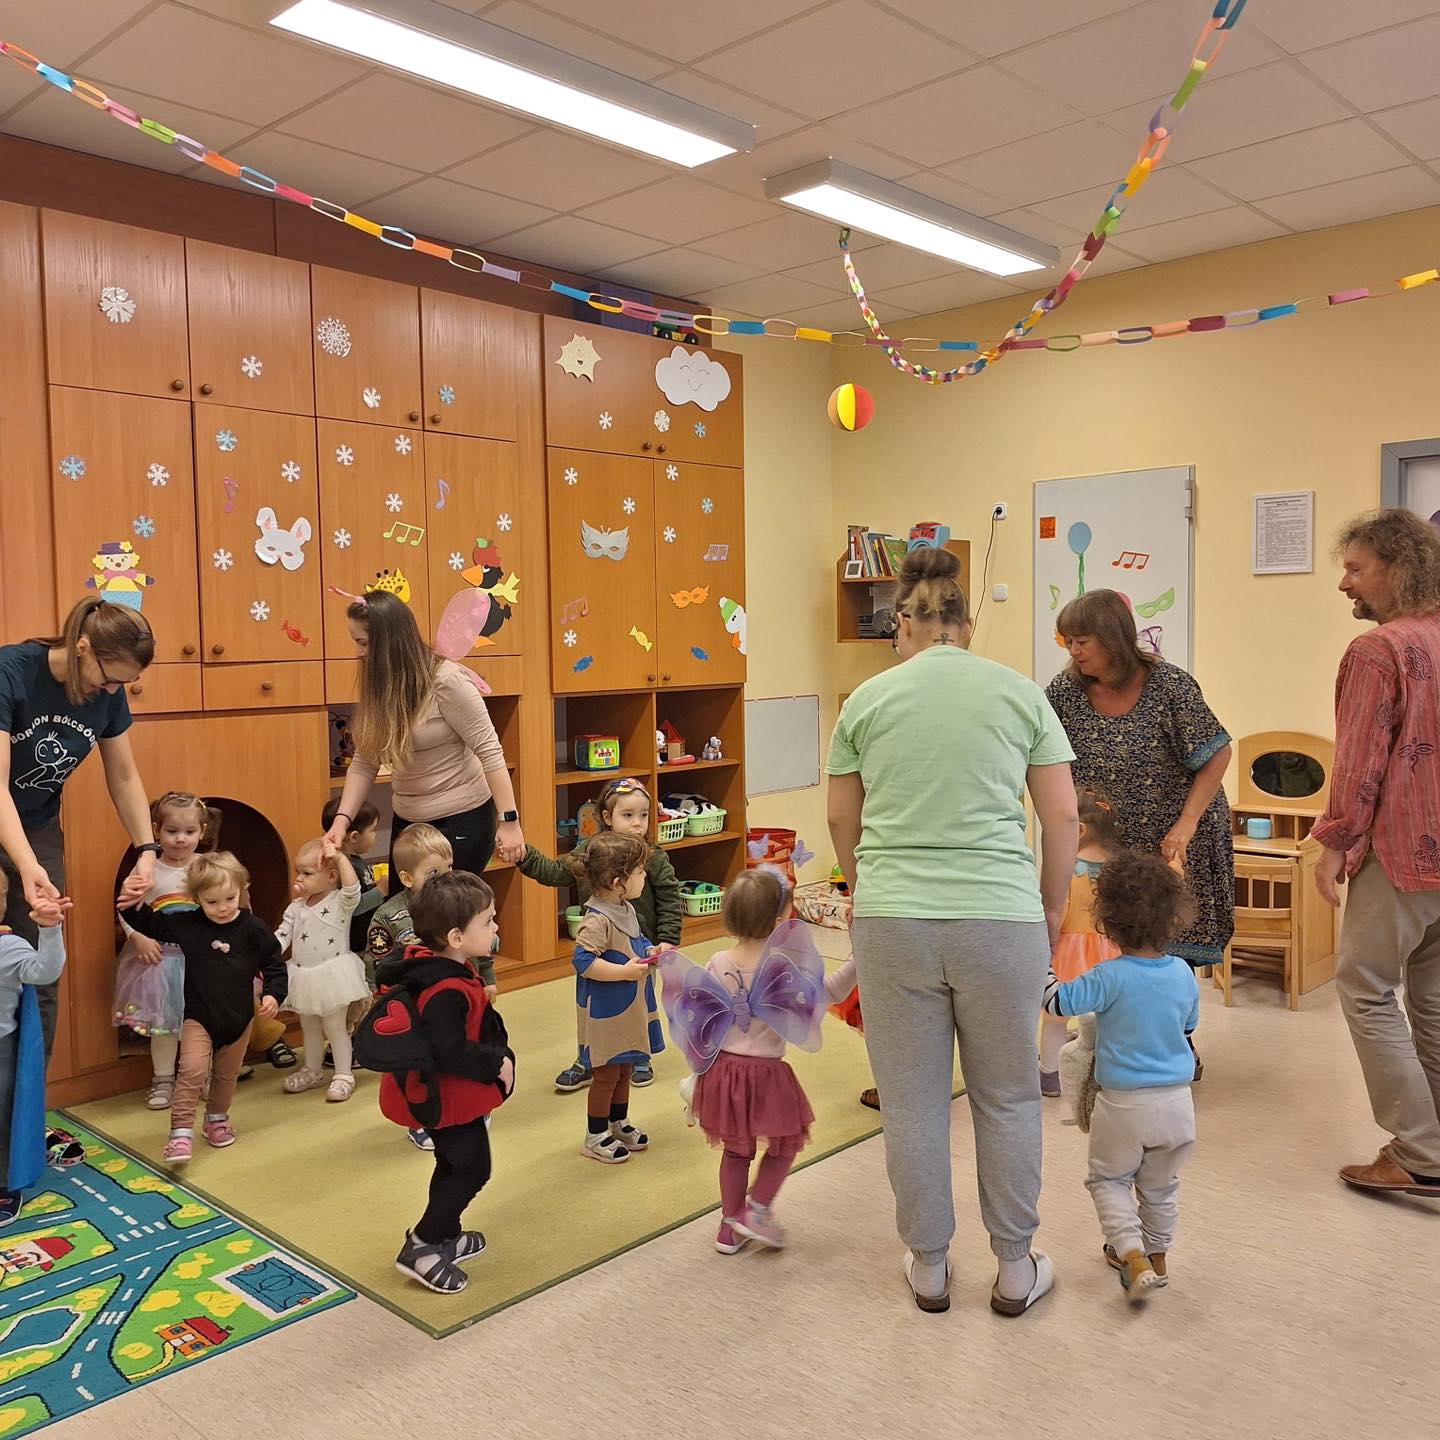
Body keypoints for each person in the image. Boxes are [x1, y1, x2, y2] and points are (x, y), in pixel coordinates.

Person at [826, 545, 1079, 1317]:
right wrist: (1049, 905)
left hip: (895, 918)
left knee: (912, 1102)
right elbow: (1062, 816)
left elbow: (842, 816)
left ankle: (930, 1266)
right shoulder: (1021, 694)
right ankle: (1013, 1267)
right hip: (1000, 916)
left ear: (903, 620)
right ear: (967, 624)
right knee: (1006, 1097)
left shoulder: (866, 700)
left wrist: (869, 890)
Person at [1312, 509, 1440, 1198]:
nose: (1345, 583)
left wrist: (1335, 843)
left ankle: (1420, 1152)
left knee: (1362, 987)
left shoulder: (1378, 651)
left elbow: (1361, 762)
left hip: (1401, 852)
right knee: (1436, 1000)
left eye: (1357, 568)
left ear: (1397, 569)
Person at [660, 869, 855, 1254]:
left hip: (723, 1073)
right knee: (784, 1145)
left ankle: (729, 1227)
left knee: (736, 1151)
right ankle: (758, 1209)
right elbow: (830, 992)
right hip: (765, 1074)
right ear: (781, 921)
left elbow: (695, 1011)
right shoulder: (784, 967)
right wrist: (858, 954)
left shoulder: (717, 960)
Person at [0, 597, 160, 1061]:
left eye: (126, 683)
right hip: (11, 822)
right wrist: (28, 866)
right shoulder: (12, 672)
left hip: (37, 827)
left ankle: (28, 1111)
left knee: (40, 968)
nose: (115, 691)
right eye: (111, 678)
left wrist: (146, 850)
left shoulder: (108, 694)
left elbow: (125, 776)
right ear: (81, 648)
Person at [1046, 590, 1233, 971]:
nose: (1075, 652)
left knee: (1164, 958)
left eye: (1083, 642)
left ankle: (1169, 1030)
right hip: (1110, 847)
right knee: (1107, 952)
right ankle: (1103, 1031)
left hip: (1174, 839)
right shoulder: (1066, 692)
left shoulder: (1169, 686)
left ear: (1112, 638)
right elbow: (1040, 749)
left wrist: (1186, 824)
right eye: (1070, 643)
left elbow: (1217, 754)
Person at [1043, 851, 1200, 1302]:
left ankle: (1130, 1254)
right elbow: (1187, 1027)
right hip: (1177, 1105)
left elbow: (1056, 1003)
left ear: (1107, 924)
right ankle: (1159, 1257)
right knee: (1160, 1186)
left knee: (1109, 1180)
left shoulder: (1109, 976)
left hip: (1122, 1104)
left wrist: (1040, 958)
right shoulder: (1184, 975)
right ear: (1173, 919)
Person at [368, 871, 514, 1295]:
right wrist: (496, 1064)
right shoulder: (444, 987)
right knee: (472, 1167)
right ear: (454, 935)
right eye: (488, 921)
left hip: (441, 1096)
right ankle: (424, 1244)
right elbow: (450, 1051)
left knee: (452, 1163)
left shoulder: (439, 965)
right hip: (445, 1098)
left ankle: (446, 1232)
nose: (496, 927)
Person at [323, 591, 525, 881]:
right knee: (403, 917)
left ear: (387, 641)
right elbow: (364, 762)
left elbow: (490, 751)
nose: (358, 652)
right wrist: (341, 822)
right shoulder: (379, 688)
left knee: (449, 916)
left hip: (462, 819)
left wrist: (509, 822)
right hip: (409, 821)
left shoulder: (447, 680)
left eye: (363, 643)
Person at [119, 852, 286, 1165]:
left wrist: (274, 995)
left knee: (226, 1075)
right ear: (196, 898)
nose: (222, 908)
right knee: (193, 1070)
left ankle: (217, 1120)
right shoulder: (186, 924)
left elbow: (274, 964)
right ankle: (180, 1133)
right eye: (211, 902)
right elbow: (145, 920)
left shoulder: (253, 928)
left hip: (240, 1018)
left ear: (243, 888)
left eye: (229, 898)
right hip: (198, 1016)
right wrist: (131, 897)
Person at [519, 777, 680, 1092]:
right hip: (598, 948)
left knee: (637, 1006)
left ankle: (638, 1056)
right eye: (628, 815)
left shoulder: (653, 856)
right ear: (607, 818)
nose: (637, 824)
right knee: (594, 1008)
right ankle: (588, 1060)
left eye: (643, 815)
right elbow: (554, 872)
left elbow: (670, 898)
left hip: (640, 951)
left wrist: (668, 938)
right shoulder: (590, 852)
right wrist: (522, 855)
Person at [368, 823, 488, 1151]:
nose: (446, 877)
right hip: (415, 1007)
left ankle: (465, 1105)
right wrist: (381, 1000)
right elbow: (379, 964)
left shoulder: (460, 902)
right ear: (407, 879)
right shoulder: (390, 916)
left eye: (449, 868)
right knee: (422, 1063)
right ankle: (419, 1119)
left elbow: (480, 944)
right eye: (434, 872)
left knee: (463, 1048)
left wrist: (487, 980)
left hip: (461, 994)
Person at [112, 792, 223, 1110]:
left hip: (200, 962)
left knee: (203, 1023)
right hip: (160, 961)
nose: (180, 839)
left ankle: (201, 1077)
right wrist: (137, 937)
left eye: (189, 832)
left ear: (202, 831)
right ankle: (163, 1080)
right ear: (156, 830)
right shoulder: (146, 869)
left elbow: (222, 906)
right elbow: (125, 907)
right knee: (163, 1027)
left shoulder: (206, 866)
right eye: (172, 831)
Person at [572, 832, 666, 1164]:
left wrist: (649, 952)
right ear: (618, 881)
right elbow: (582, 961)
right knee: (607, 1074)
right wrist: (624, 973)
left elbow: (633, 944)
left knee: (625, 1067)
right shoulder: (597, 918)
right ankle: (595, 1135)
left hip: (630, 1006)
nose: (645, 876)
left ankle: (618, 1122)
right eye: (640, 871)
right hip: (607, 1012)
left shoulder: (624, 908)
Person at [1039, 786, 1123, 1096]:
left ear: (1081, 829)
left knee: (1056, 1017)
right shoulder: (1118, 869)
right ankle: (1102, 1076)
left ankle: (1049, 1075)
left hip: (1070, 953)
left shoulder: (1068, 869)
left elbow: (1057, 914)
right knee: (1105, 1016)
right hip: (1110, 951)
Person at [276, 838, 370, 1103]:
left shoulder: (340, 901)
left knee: (336, 1027)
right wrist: (263, 949)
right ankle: (313, 1069)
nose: (299, 878)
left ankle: (343, 1074)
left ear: (331, 876)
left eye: (307, 873)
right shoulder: (296, 908)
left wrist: (339, 858)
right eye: (298, 872)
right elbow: (283, 935)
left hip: (332, 975)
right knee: (309, 1026)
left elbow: (353, 888)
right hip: (304, 976)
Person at [0, 883, 69, 1224]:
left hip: (2, 1051)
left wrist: (49, 928)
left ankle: (4, 1184)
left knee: (4, 1117)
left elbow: (46, 971)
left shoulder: (9, 946)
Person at [321, 795, 383, 955]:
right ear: (354, 836)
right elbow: (352, 907)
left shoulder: (354, 861)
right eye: (373, 830)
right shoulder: (345, 868)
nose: (375, 835)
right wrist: (381, 891)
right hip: (354, 943)